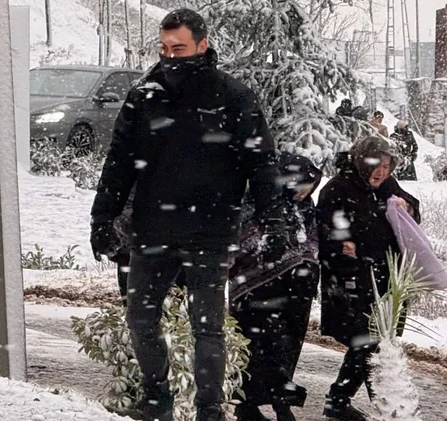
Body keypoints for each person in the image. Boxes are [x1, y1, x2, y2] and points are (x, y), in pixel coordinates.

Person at [89, 8, 284, 421]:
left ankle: (208, 411)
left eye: (179, 48)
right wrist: (101, 219)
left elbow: (262, 162)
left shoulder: (232, 96)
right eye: (164, 48)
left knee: (207, 326)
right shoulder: (146, 95)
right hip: (152, 227)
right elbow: (119, 162)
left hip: (210, 230)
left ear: (203, 44)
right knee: (140, 318)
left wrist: (275, 217)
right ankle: (156, 398)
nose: (171, 56)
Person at [316, 138, 420, 420]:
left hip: (386, 277)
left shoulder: (387, 186)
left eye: (387, 166)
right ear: (362, 162)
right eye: (377, 165)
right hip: (352, 277)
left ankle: (344, 400)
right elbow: (324, 227)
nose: (382, 172)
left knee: (378, 340)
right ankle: (381, 403)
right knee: (368, 339)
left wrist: (406, 206)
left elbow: (413, 209)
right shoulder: (338, 188)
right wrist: (342, 244)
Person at [228, 153, 322, 421]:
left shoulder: (305, 207)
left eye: (310, 188)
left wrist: (304, 264)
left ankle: (282, 402)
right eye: (301, 186)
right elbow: (243, 239)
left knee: (285, 349)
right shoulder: (257, 201)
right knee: (255, 349)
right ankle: (246, 405)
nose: (305, 194)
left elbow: (311, 242)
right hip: (255, 293)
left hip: (295, 293)